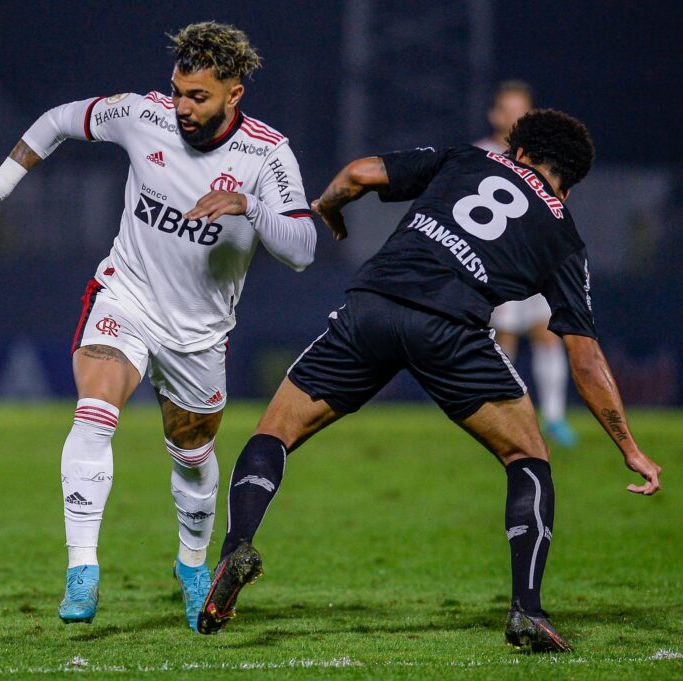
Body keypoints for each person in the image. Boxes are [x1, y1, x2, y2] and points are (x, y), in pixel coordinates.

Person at [198, 110, 662, 652]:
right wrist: (628, 447)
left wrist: (329, 207)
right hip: (449, 330)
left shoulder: (467, 158)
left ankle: (237, 547)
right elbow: (585, 358)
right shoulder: (563, 236)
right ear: (571, 178)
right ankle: (527, 611)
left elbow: (357, 174)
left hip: (371, 308)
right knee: (527, 458)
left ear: (521, 150)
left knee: (274, 433)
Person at [0, 22, 315, 630]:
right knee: (94, 410)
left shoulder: (266, 154)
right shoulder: (141, 116)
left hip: (200, 333)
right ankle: (82, 568)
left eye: (197, 97)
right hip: (127, 295)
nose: (181, 107)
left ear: (235, 95)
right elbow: (58, 120)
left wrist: (248, 205)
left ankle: (192, 563)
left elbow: (304, 247)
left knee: (192, 455)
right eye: (177, 91)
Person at [475, 81, 577, 447]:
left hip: (534, 261)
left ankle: (554, 418)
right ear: (495, 114)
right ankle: (506, 416)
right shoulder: (480, 154)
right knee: (503, 338)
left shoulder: (542, 157)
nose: (515, 115)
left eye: (522, 108)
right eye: (508, 108)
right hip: (496, 264)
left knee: (546, 332)